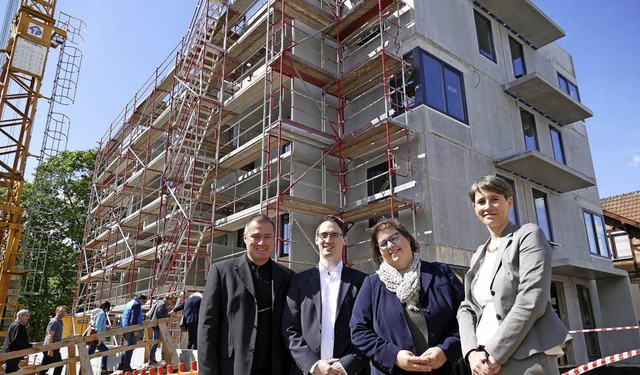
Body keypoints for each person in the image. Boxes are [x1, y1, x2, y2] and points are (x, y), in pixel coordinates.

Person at [457, 175, 572, 375]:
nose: (487, 206)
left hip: (524, 360)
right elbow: (466, 307)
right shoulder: (478, 254)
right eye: (481, 201)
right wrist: (471, 352)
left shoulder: (528, 236)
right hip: (483, 362)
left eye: (494, 199)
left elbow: (532, 299)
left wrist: (496, 353)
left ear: (509, 202)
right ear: (474, 208)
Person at [350, 219, 464, 374]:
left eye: (394, 238)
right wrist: (394, 356)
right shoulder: (372, 284)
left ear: (408, 238)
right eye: (383, 244)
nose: (390, 246)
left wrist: (445, 350)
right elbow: (358, 331)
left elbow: (466, 316)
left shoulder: (441, 273)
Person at [199, 214, 295, 374]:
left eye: (267, 237)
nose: (262, 242)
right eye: (256, 236)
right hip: (234, 367)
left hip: (276, 369)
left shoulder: (288, 277)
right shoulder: (222, 272)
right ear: (244, 237)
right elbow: (207, 327)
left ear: (274, 239)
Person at [283, 215, 370, 375]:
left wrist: (346, 365)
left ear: (345, 240)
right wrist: (313, 365)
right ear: (316, 239)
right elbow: (289, 329)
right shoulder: (298, 281)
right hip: (308, 371)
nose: (328, 240)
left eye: (335, 235)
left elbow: (370, 330)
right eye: (323, 235)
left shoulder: (363, 281)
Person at [119, 294, 147, 372]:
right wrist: (135, 330)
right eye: (144, 302)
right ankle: (126, 367)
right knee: (130, 347)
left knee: (127, 347)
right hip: (131, 328)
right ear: (141, 299)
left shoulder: (130, 303)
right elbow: (133, 318)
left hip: (124, 327)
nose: (144, 303)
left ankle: (122, 365)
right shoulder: (137, 304)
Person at [147, 295, 176, 365]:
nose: (170, 303)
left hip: (155, 324)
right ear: (168, 299)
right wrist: (169, 315)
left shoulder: (160, 302)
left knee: (157, 341)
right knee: (156, 342)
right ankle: (151, 359)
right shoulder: (162, 304)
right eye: (171, 301)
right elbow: (159, 315)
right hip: (157, 325)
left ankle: (153, 358)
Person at [86, 301, 113, 375]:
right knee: (88, 356)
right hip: (95, 337)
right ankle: (103, 370)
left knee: (89, 355)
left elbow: (95, 324)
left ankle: (103, 369)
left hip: (93, 336)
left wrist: (106, 327)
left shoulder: (96, 312)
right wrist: (99, 339)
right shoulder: (101, 313)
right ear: (107, 307)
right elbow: (98, 327)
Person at [39, 306, 67, 375]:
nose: (62, 313)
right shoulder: (54, 322)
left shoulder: (60, 322)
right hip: (51, 348)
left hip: (54, 348)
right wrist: (50, 350)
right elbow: (50, 335)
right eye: (61, 311)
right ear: (56, 312)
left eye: (64, 312)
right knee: (59, 365)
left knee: (44, 367)